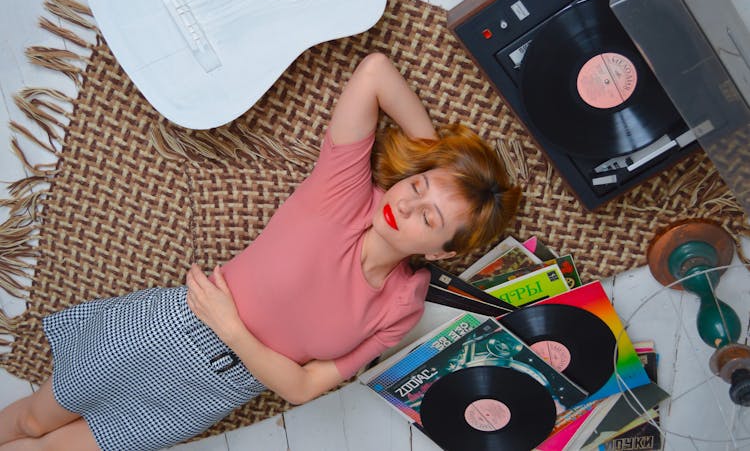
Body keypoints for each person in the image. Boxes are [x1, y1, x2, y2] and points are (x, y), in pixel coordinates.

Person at [0, 52, 521, 451]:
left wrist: (232, 328)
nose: (408, 205)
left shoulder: (403, 303)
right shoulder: (343, 190)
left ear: (444, 252)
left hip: (211, 392)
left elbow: (301, 387)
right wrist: (439, 163)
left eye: (429, 219)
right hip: (171, 330)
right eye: (418, 188)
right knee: (30, 421)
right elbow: (375, 72)